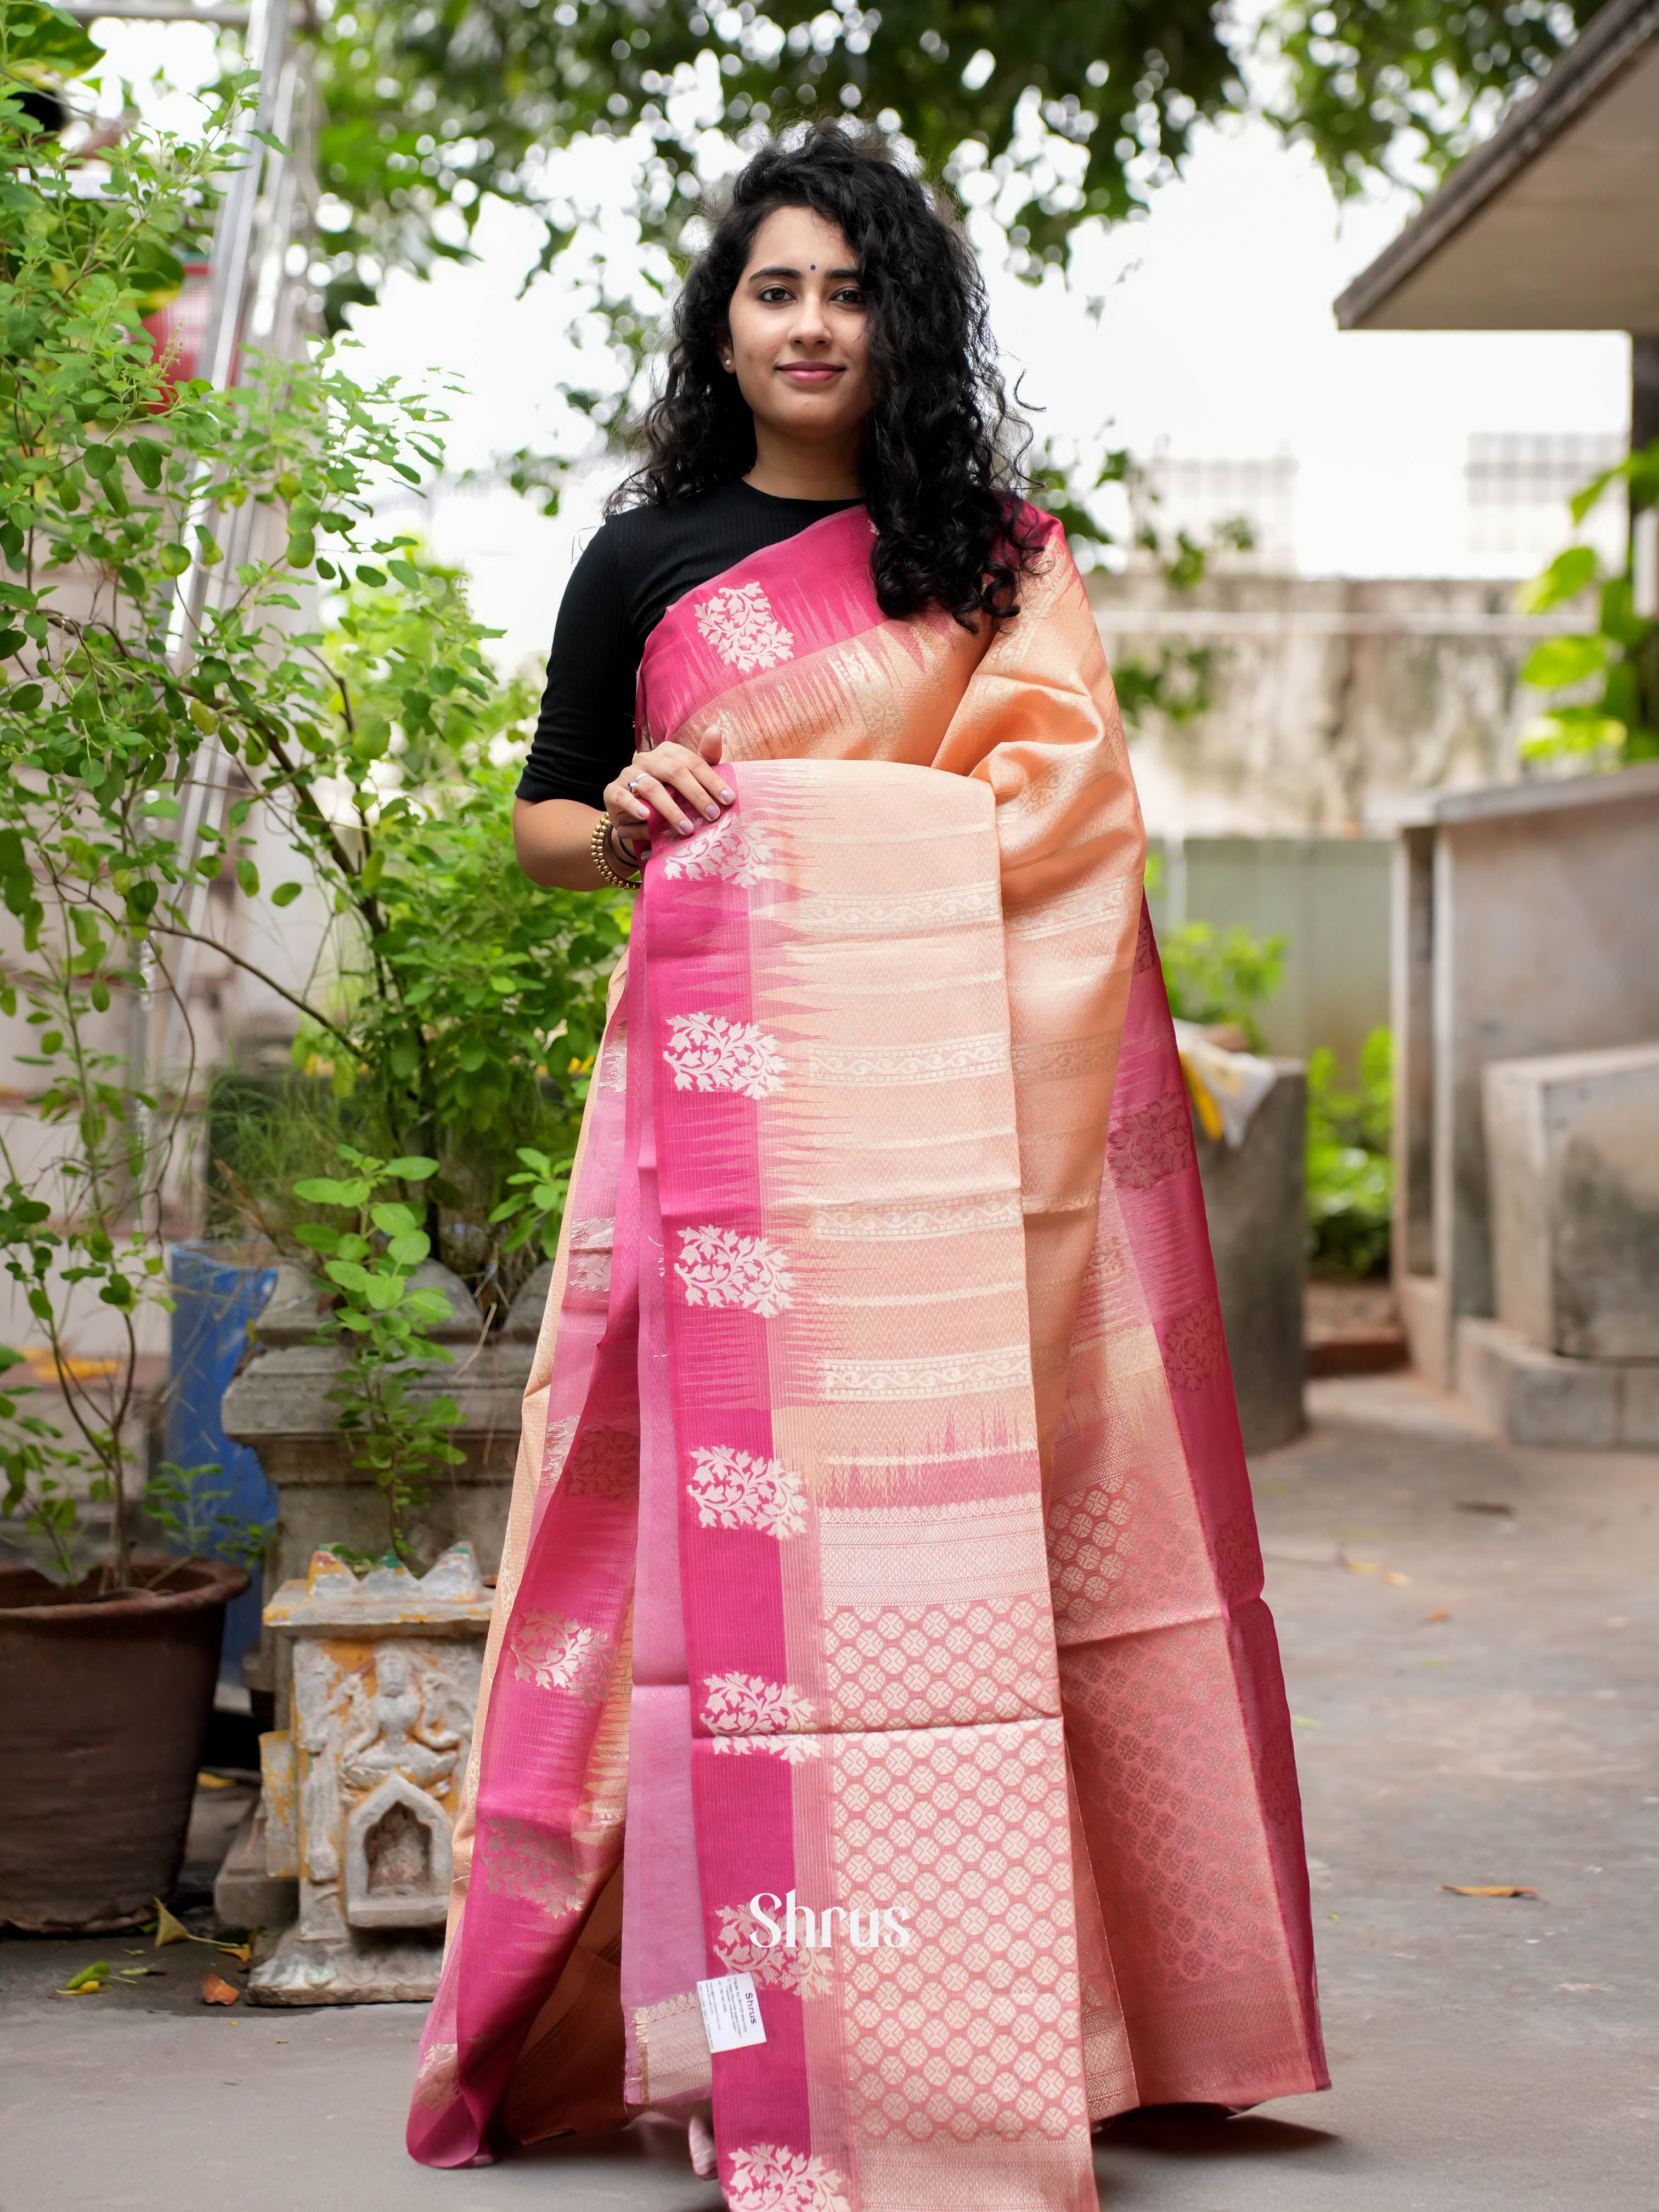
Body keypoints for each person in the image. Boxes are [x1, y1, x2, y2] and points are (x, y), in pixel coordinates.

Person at [408, 123, 1327, 2205]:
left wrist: (801, 823)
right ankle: (739, 2035)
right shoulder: (645, 559)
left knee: (994, 1564)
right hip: (723, 1138)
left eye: (850, 289)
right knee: (695, 1571)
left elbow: (1064, 825)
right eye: (777, 289)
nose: (812, 324)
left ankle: (1040, 2037)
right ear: (724, 325)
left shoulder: (992, 559)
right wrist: (638, 810)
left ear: (901, 323)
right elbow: (547, 819)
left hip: (956, 1160)